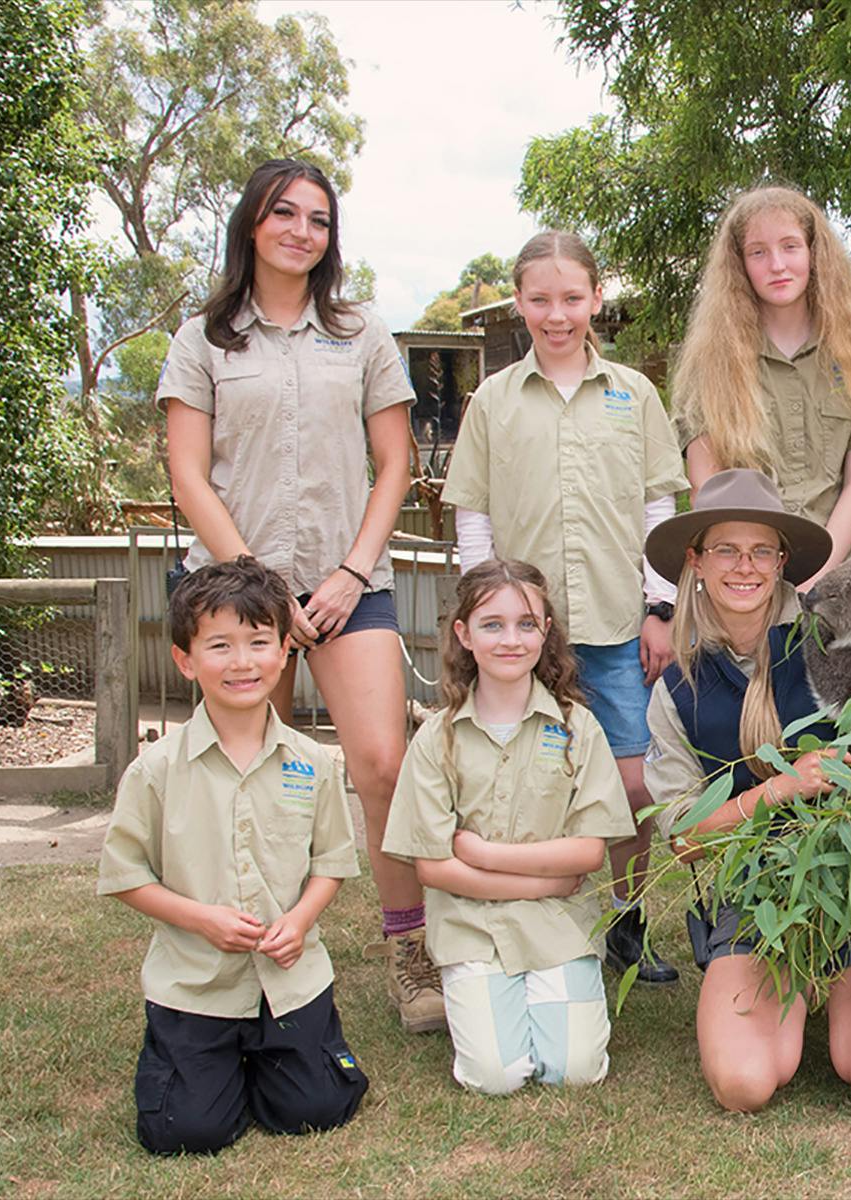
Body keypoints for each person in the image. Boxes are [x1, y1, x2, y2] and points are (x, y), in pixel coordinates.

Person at [159, 159, 438, 1033]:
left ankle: (412, 954)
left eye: (319, 220)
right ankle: (253, 958)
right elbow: (187, 471)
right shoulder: (204, 339)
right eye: (286, 214)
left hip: (352, 582)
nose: (302, 232)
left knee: (383, 769)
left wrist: (354, 571)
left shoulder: (361, 334)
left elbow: (394, 464)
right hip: (241, 596)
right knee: (250, 777)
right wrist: (258, 584)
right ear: (252, 224)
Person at [641, 470, 851, 1112]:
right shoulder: (678, 690)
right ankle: (782, 980)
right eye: (726, 550)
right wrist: (782, 790)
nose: (745, 567)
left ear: (782, 561)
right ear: (696, 560)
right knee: (745, 1083)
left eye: (761, 550)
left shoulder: (843, 629)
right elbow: (684, 838)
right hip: (758, 892)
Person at [439, 231, 689, 984]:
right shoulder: (493, 400)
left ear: (596, 299)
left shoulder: (633, 396)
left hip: (618, 626)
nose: (557, 315)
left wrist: (663, 607)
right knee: (529, 778)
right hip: (525, 635)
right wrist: (489, 615)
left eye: (571, 298)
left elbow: (658, 505)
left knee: (633, 783)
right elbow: (473, 515)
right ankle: (535, 915)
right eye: (540, 299)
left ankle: (626, 920)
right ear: (519, 302)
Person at [98, 557, 367, 1154]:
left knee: (317, 1110)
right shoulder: (156, 771)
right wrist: (203, 920)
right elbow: (124, 875)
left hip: (290, 981)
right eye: (219, 645)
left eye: (258, 642)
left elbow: (331, 863)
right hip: (197, 983)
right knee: (184, 1133)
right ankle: (201, 1066)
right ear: (185, 660)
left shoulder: (314, 763)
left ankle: (272, 1063)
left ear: (282, 654)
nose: (242, 662)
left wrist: (299, 923)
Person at [380, 560, 634, 1095]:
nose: (510, 640)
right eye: (492, 625)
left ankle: (524, 1002)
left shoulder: (575, 727)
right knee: (494, 1077)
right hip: (472, 925)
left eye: (526, 624)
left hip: (559, 923)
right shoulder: (438, 738)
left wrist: (481, 853)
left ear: (546, 632)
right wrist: (544, 877)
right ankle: (478, 995)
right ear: (463, 634)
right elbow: (432, 866)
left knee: (576, 1069)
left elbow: (588, 854)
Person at [670, 183, 851, 585]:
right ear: (740, 263)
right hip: (746, 581)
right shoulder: (710, 361)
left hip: (842, 587)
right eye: (758, 252)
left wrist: (817, 576)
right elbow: (707, 488)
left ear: (814, 254)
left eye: (790, 246)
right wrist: (758, 571)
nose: (777, 265)